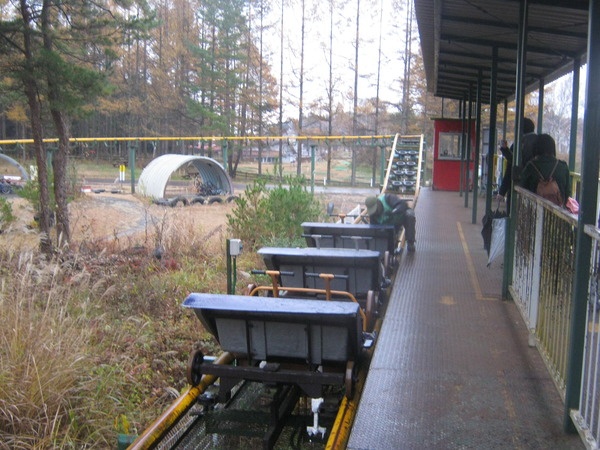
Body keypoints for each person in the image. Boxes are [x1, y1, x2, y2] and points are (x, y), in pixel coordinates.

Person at [519, 133, 570, 206]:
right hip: (558, 211)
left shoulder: (531, 166)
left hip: (535, 209)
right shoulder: (563, 166)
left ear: (536, 148)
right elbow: (567, 192)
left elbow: (522, 187)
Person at [498, 117, 537, 209]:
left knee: (514, 213)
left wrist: (502, 191)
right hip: (535, 189)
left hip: (518, 185)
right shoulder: (540, 141)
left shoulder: (519, 143)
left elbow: (511, 167)